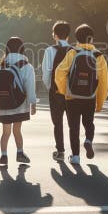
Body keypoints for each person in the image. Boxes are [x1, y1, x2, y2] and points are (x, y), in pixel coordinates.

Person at [54, 24, 108, 165]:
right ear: (92, 38)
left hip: (72, 96)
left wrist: (63, 90)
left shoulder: (72, 52)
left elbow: (59, 72)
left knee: (74, 127)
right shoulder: (98, 56)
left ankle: (76, 156)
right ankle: (88, 140)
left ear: (76, 38)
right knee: (89, 123)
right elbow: (103, 81)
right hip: (90, 96)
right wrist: (100, 102)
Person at [0, 37, 37, 167]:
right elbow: (30, 86)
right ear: (22, 49)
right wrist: (32, 103)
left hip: (3, 106)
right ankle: (20, 153)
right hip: (20, 105)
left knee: (5, 131)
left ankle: (3, 156)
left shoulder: (0, 66)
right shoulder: (27, 66)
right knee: (17, 129)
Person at [41, 20, 72, 161]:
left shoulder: (50, 50)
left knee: (57, 122)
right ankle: (75, 153)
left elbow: (46, 72)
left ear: (55, 35)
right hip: (72, 93)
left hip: (56, 92)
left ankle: (60, 152)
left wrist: (50, 87)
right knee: (73, 123)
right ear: (68, 36)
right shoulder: (74, 50)